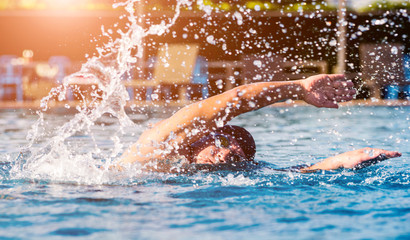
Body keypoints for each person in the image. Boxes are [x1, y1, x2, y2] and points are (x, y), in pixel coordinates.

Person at [119, 74, 401, 172]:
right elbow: (231, 102)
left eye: (241, 155)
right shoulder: (157, 146)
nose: (230, 153)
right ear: (202, 136)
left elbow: (296, 173)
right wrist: (297, 88)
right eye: (226, 142)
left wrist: (342, 161)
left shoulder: (205, 174)